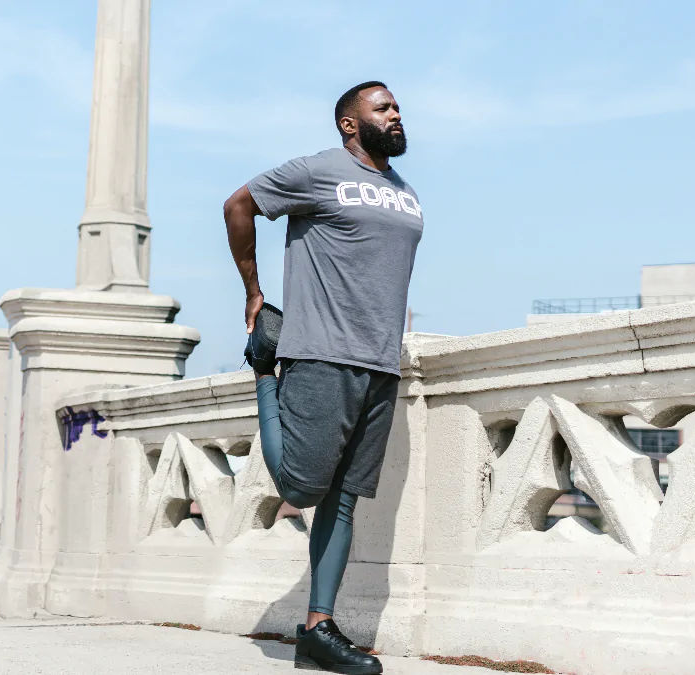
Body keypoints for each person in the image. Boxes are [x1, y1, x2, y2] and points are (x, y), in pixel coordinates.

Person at [223, 81, 423, 674]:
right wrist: (255, 294)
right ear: (348, 123)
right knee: (301, 490)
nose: (395, 113)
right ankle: (263, 370)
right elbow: (239, 205)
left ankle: (318, 628)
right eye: (382, 107)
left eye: (396, 106)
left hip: (379, 360)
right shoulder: (318, 171)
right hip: (319, 352)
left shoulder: (405, 192)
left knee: (341, 502)